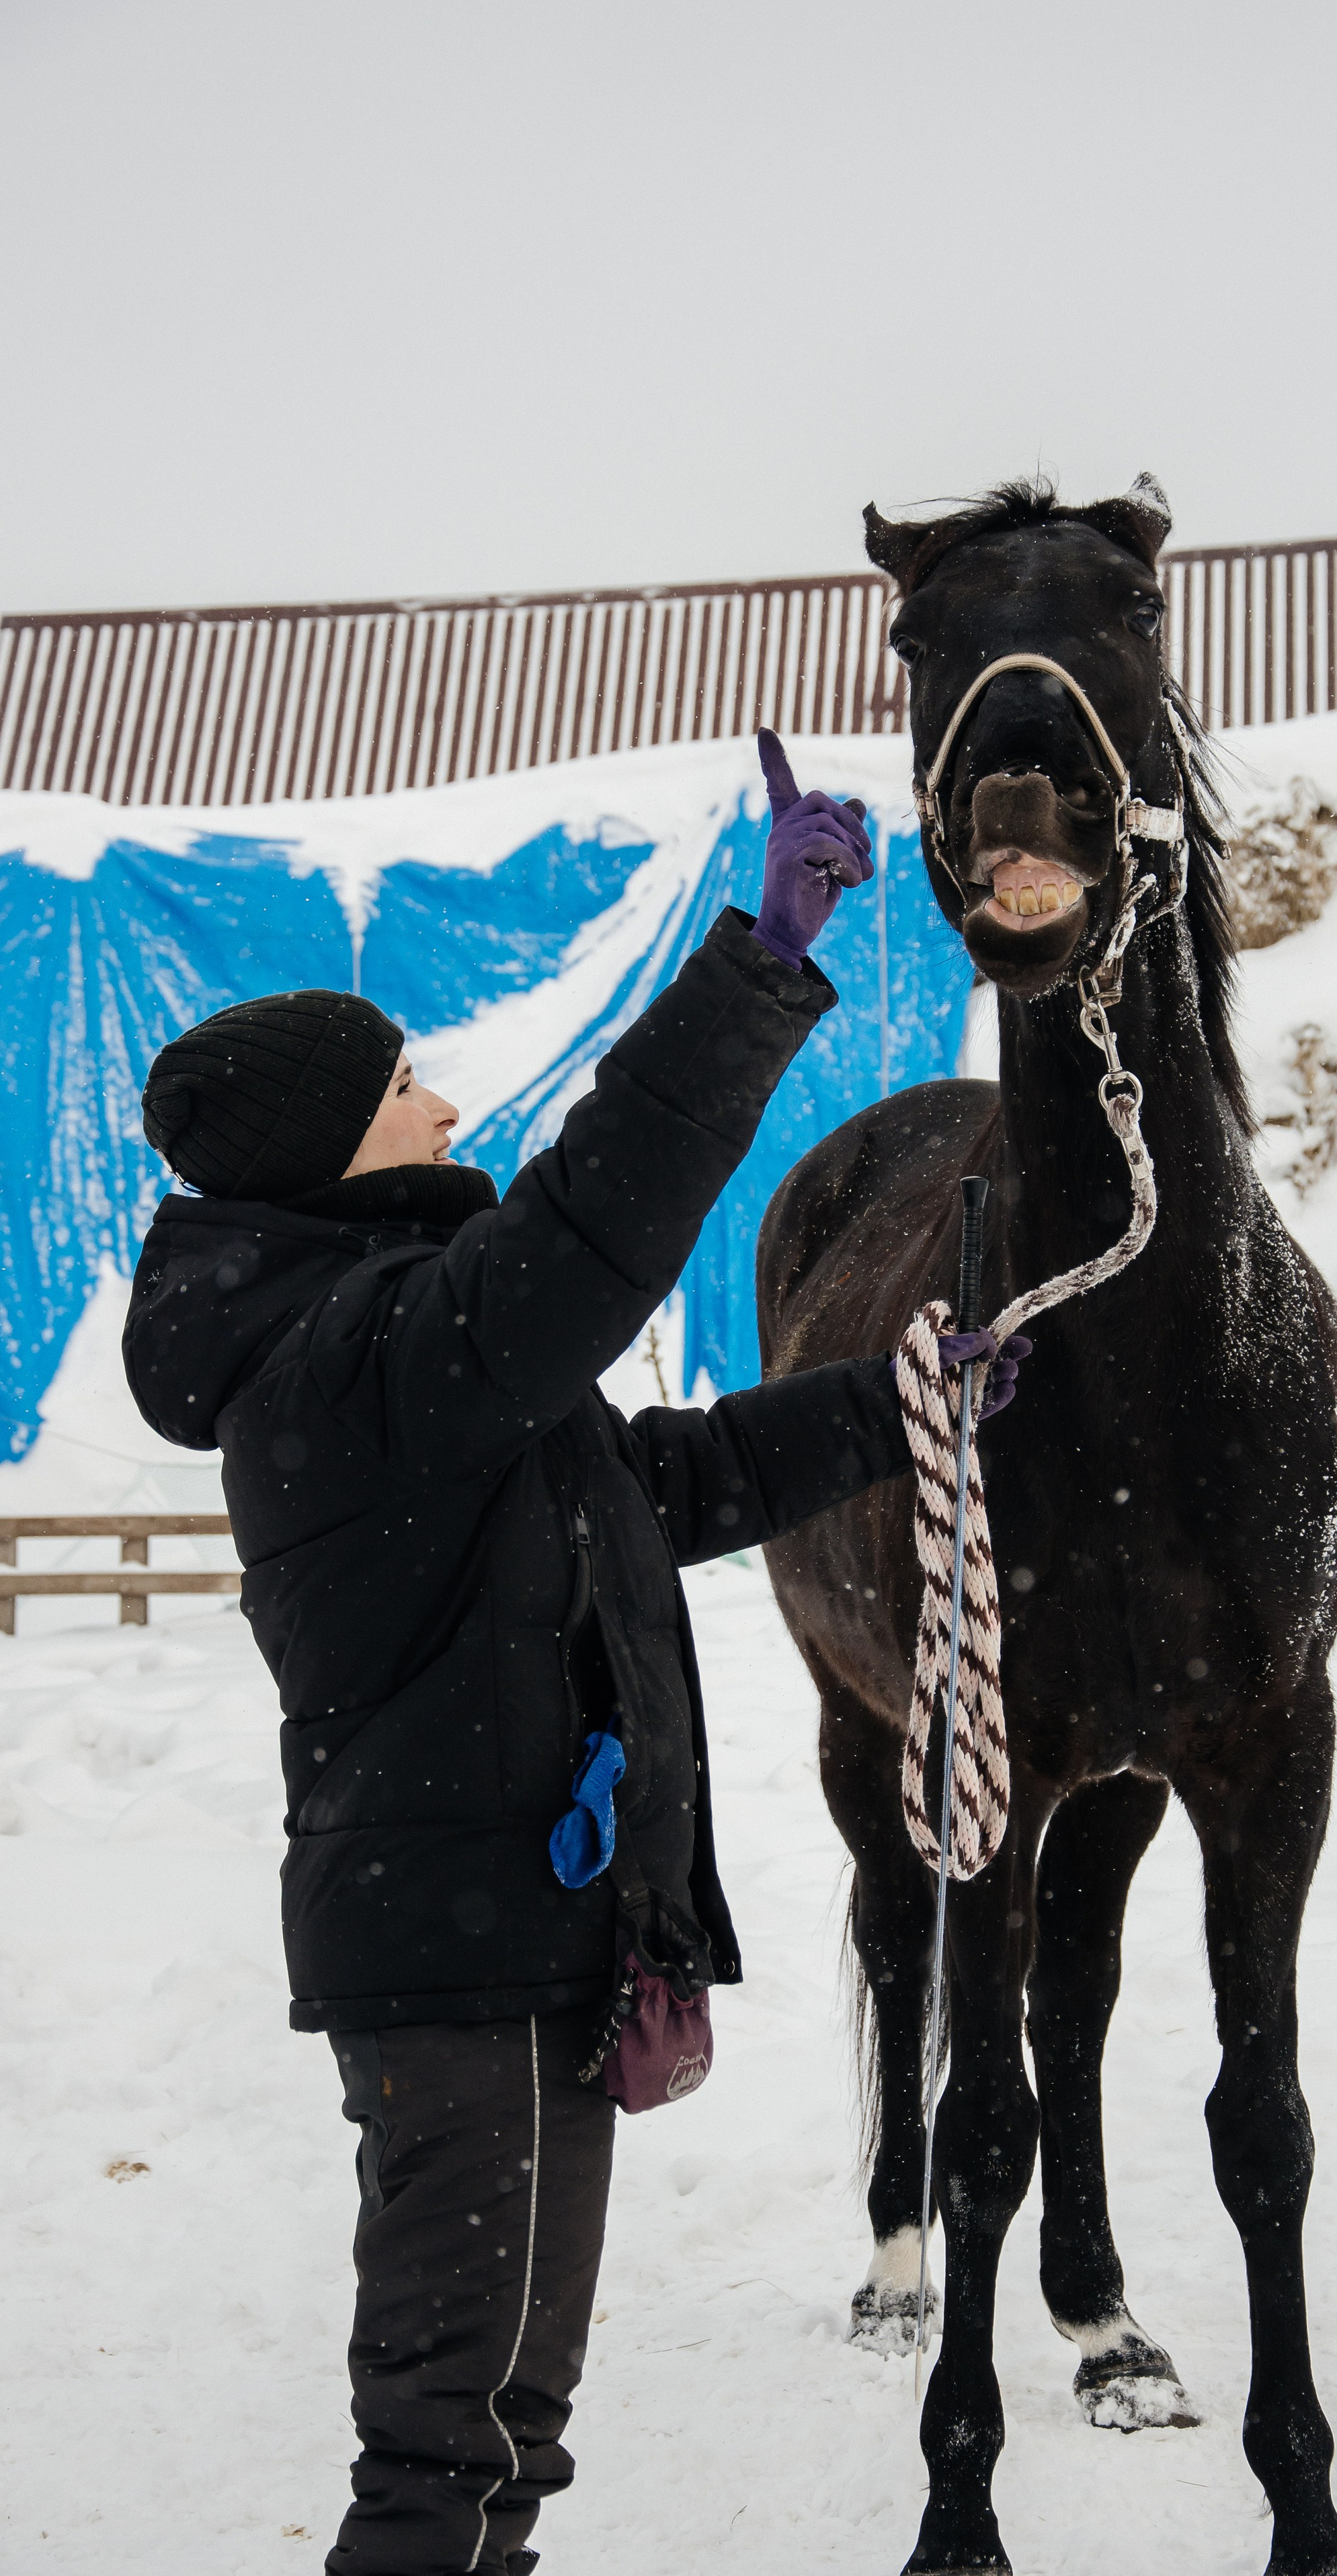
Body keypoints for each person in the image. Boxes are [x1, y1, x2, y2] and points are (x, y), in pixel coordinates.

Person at [122, 733, 1027, 2576]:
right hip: (448, 1960)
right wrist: (756, 969)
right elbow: (592, 1231)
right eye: (401, 1092)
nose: (443, 1105)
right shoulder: (347, 1364)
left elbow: (659, 1479)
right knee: (444, 2450)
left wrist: (903, 1400)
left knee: (512, 2444)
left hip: (536, 1938)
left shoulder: (415, 1353)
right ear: (322, 1146)